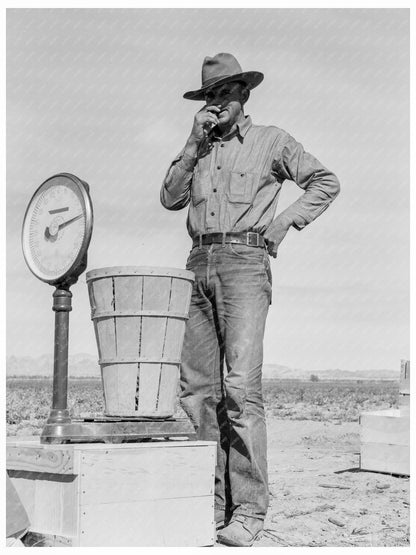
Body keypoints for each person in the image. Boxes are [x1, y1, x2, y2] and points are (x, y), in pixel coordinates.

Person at [160, 52, 340, 547]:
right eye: (209, 95)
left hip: (245, 266)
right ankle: (210, 504)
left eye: (225, 92)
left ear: (244, 95)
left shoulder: (271, 141)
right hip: (197, 265)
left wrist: (283, 223)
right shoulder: (197, 148)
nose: (217, 103)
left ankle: (249, 511)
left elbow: (325, 182)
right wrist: (193, 140)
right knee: (196, 391)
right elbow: (169, 197)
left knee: (241, 389)